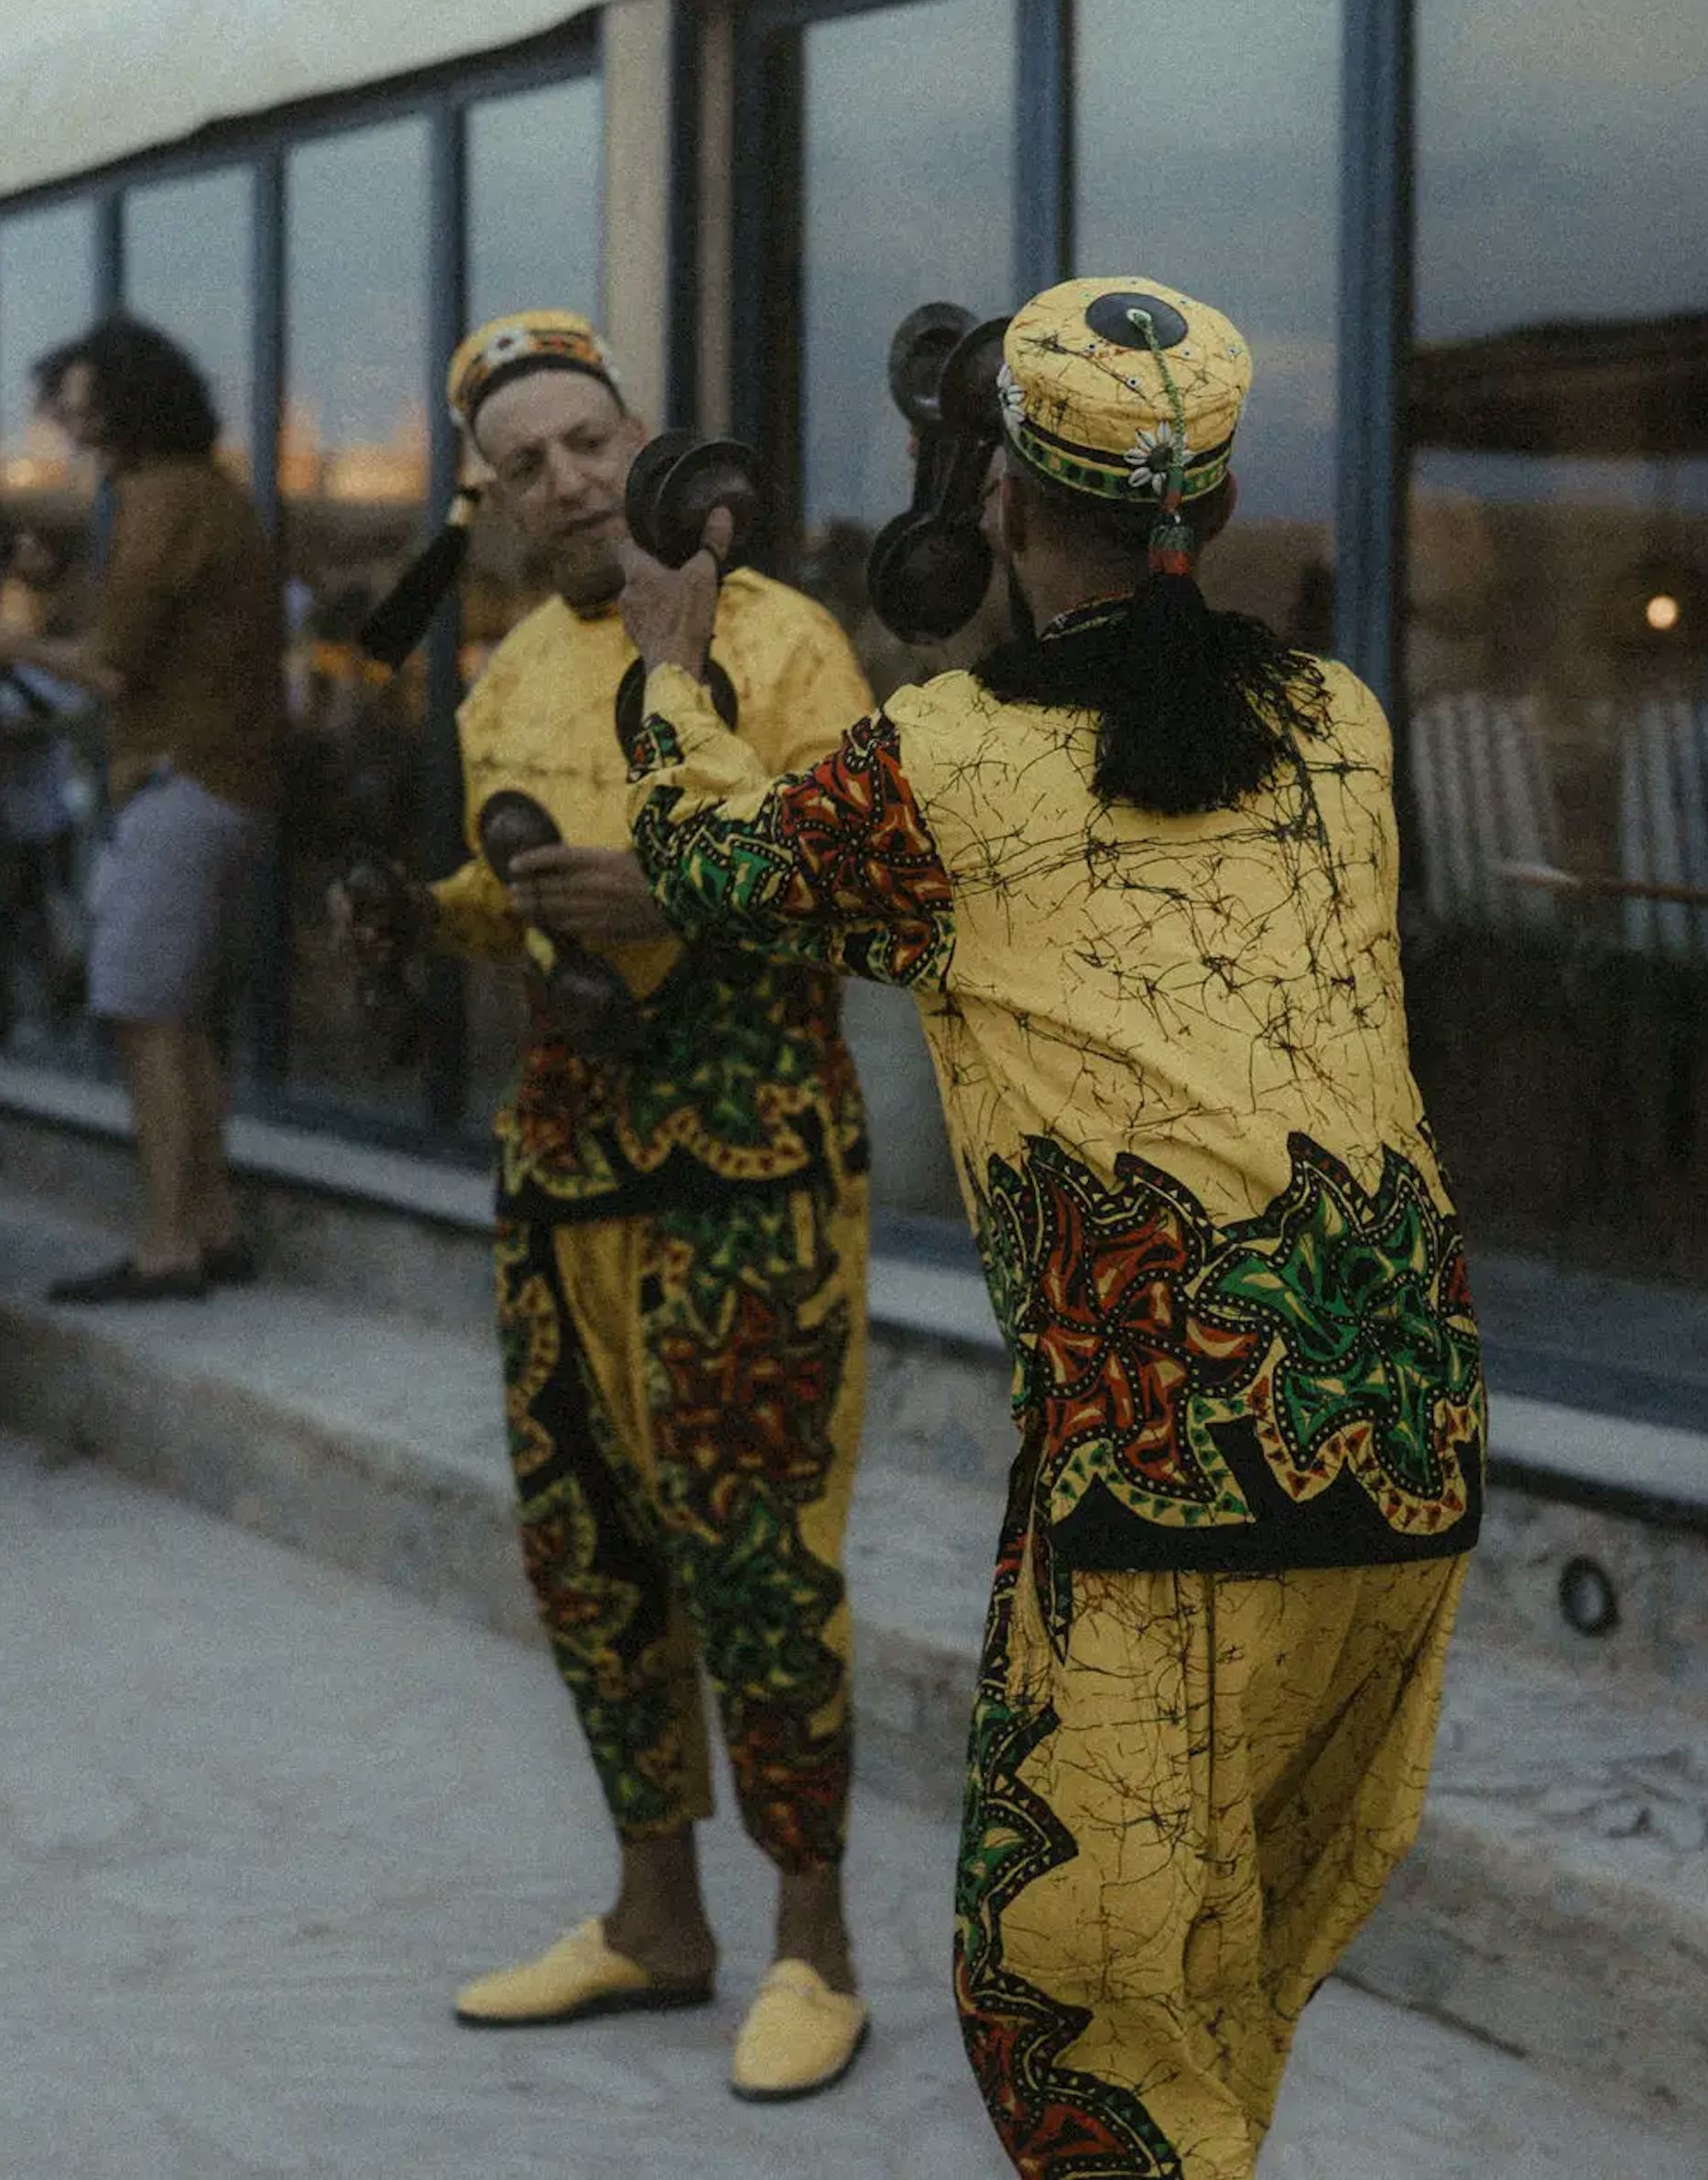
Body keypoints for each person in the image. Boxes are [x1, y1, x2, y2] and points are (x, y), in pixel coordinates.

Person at [608, 277, 1485, 2178]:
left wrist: (674, 660)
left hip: (1176, 1446)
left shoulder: (952, 761)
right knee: (1216, 1979)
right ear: (1222, 508)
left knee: (1069, 2004)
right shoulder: (1341, 726)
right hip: (1404, 1425)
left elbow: (709, 859)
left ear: (998, 506)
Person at [337, 311, 882, 2103]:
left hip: (752, 1149)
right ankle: (657, 1917)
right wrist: (433, 917)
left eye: (592, 440)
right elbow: (530, 901)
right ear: (487, 503)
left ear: (644, 438)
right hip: (564, 1153)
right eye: (529, 463)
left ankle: (816, 1945)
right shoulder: (499, 676)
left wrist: (672, 898)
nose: (570, 480)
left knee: (760, 1543)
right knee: (587, 1542)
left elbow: (864, 892)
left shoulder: (781, 636)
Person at [0, 318, 284, 1303]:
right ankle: (213, 1226)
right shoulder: (211, 494)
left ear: (121, 400)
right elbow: (150, 637)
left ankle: (165, 1248)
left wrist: (9, 645)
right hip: (225, 783)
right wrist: (59, 595)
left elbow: (111, 666)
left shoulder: (155, 498)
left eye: (77, 398)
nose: (63, 418)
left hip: (176, 784)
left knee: (144, 1021)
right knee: (181, 1024)